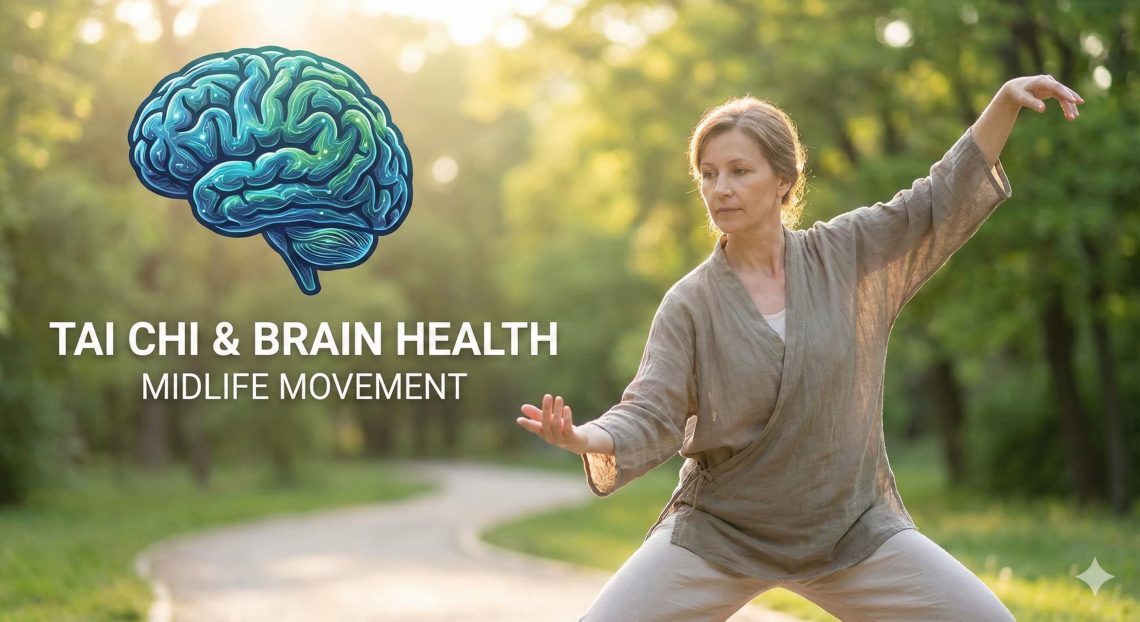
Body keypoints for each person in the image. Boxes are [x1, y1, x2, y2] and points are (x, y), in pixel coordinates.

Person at [516, 75, 1083, 621]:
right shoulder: (689, 303)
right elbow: (651, 410)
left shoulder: (845, 254)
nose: (721, 188)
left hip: (848, 526)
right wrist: (587, 435)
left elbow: (933, 200)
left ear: (784, 180)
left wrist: (1004, 104)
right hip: (723, 531)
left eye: (739, 170)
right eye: (708, 174)